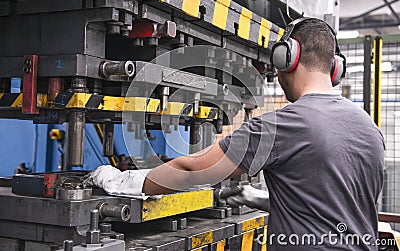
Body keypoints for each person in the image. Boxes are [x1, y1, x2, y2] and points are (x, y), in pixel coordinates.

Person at [87, 18, 385, 250]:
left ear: (286, 59)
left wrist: (123, 180)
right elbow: (341, 205)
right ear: (334, 68)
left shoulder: (283, 125)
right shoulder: (369, 127)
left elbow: (193, 170)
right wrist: (259, 198)